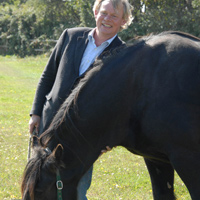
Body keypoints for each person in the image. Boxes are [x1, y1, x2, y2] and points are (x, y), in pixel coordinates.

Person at [29, 0, 133, 199]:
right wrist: (35, 113)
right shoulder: (70, 36)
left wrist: (110, 137)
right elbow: (48, 76)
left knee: (75, 191)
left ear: (124, 21)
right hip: (48, 127)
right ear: (95, 12)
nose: (107, 19)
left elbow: (121, 103)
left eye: (114, 16)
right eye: (104, 13)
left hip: (85, 138)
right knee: (39, 186)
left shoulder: (124, 56)